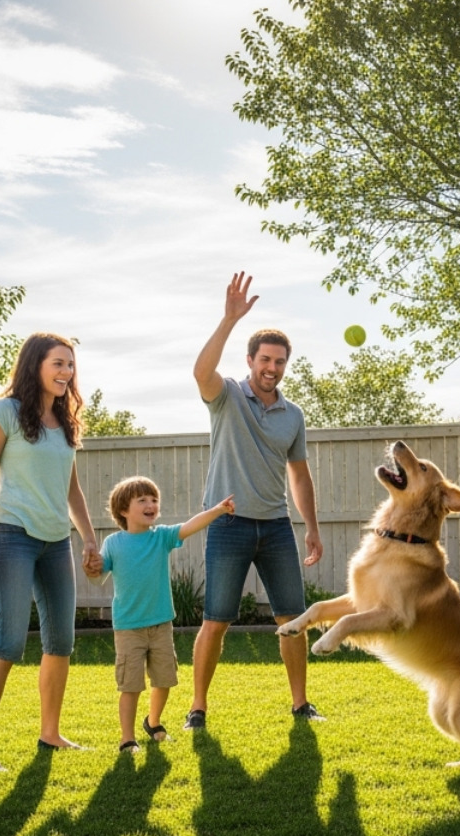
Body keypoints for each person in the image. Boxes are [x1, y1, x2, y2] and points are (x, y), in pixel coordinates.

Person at [187, 272, 324, 730]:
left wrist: (312, 527)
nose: (272, 367)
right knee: (216, 620)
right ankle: (197, 708)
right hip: (228, 524)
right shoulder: (227, 396)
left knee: (293, 619)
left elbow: (299, 475)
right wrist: (229, 319)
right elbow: (200, 373)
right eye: (265, 359)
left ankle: (301, 704)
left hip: (276, 526)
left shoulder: (293, 415)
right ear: (250, 360)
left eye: (280, 361)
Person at [0, 332, 102, 771]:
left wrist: (89, 537)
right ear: (35, 365)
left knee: (61, 641)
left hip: (55, 540)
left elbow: (71, 489)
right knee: (8, 642)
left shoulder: (65, 421)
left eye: (70, 365)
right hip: (11, 534)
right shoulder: (4, 412)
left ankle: (50, 733)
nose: (66, 372)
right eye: (58, 363)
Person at [86, 476, 235, 751]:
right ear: (123, 510)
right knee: (130, 685)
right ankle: (127, 738)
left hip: (161, 625)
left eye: (154, 500)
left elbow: (190, 526)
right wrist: (90, 568)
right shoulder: (113, 543)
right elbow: (98, 576)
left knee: (164, 680)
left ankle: (153, 722)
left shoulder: (162, 537)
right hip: (129, 627)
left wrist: (217, 510)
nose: (151, 504)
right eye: (142, 500)